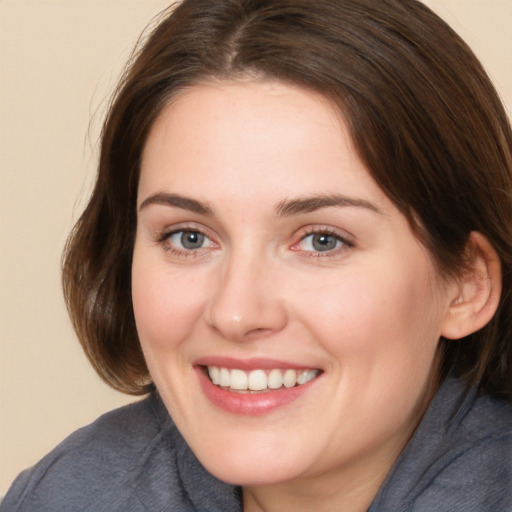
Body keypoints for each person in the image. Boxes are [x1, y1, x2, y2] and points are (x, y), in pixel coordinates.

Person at [2, 0, 511, 510]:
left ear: (466, 283)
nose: (235, 313)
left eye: (322, 240)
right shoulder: (62, 494)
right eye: (189, 237)